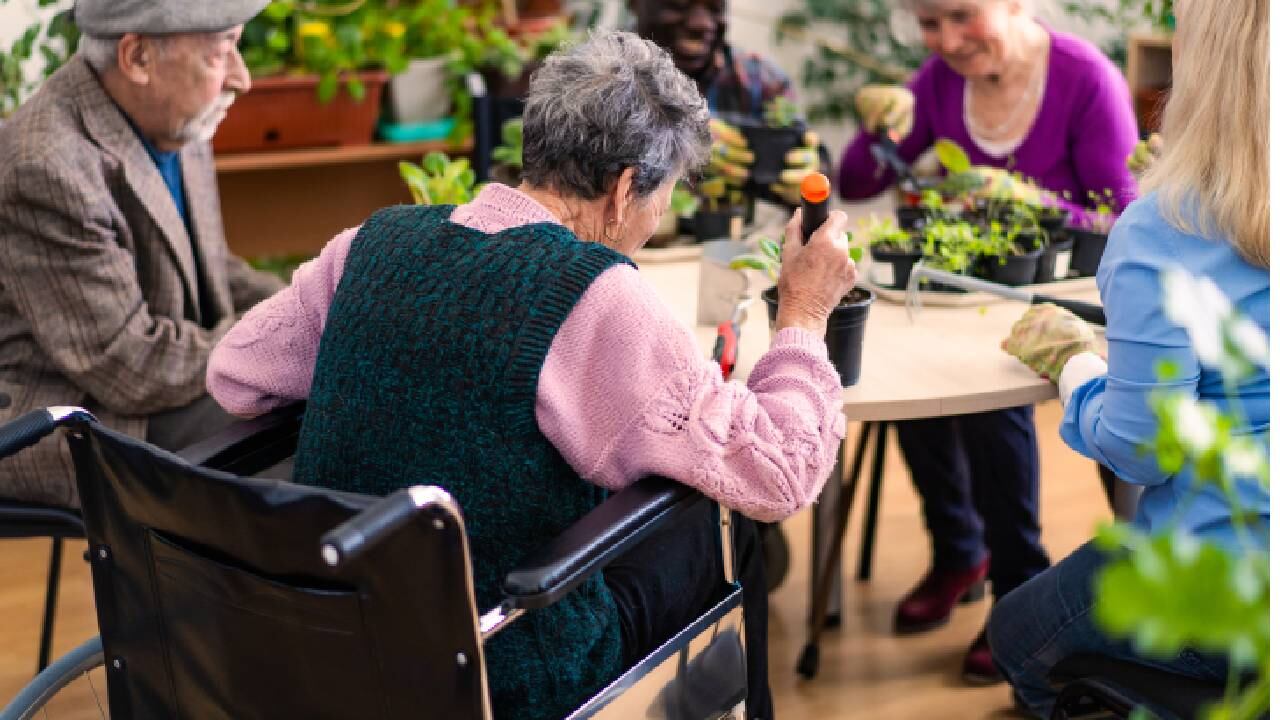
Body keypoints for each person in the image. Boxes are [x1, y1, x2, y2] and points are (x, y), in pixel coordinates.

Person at [207, 32, 854, 720]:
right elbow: (781, 471)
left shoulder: (371, 241)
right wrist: (805, 310)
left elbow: (237, 375)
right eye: (662, 197)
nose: (658, 219)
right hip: (505, 670)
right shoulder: (595, 297)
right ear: (626, 187)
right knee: (713, 529)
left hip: (333, 638)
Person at [836, 0, 1140, 683]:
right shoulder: (939, 81)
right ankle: (958, 550)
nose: (944, 40)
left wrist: (1024, 198)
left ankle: (1017, 582)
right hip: (960, 293)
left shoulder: (1085, 79)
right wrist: (874, 128)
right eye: (929, 24)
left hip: (1066, 299)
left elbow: (1123, 220)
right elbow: (859, 181)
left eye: (961, 16)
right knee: (909, 373)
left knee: (982, 392)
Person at [992, 0, 1269, 714]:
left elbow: (1143, 454)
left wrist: (1074, 363)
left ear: (1204, 66)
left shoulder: (1163, 230)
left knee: (1015, 637)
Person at [0, 0, 283, 507]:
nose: (242, 79)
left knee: (308, 406)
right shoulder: (44, 165)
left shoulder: (173, 114)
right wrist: (279, 336)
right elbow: (130, 365)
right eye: (221, 53)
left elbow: (215, 269)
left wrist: (314, 302)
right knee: (299, 432)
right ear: (138, 59)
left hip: (156, 382)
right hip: (74, 414)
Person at [629, 0, 820, 205]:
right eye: (680, 4)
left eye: (716, 8)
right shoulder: (599, 79)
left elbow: (818, 161)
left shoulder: (761, 79)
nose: (701, 23)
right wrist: (681, 144)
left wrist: (808, 179)